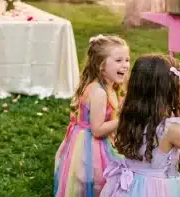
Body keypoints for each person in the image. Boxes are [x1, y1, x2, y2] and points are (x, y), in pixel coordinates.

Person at [101, 54, 180, 196]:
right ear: (170, 92)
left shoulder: (129, 116)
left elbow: (156, 137)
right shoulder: (171, 129)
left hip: (130, 187)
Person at [54, 35, 130, 197]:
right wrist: (125, 118)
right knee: (95, 182)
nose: (125, 65)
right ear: (101, 65)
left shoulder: (110, 85)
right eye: (118, 61)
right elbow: (97, 129)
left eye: (127, 60)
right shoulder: (98, 92)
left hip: (94, 141)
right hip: (90, 146)